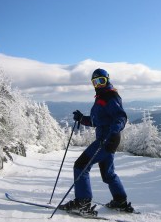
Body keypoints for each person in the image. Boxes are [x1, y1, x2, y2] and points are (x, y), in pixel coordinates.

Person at [60, 68, 134, 213]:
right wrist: (82, 119)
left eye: (101, 81)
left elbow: (121, 117)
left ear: (107, 79)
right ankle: (120, 201)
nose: (98, 84)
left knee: (80, 166)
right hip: (109, 139)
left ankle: (82, 203)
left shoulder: (110, 97)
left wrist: (114, 130)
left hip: (107, 139)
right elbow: (98, 120)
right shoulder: (102, 97)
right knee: (108, 174)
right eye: (95, 82)